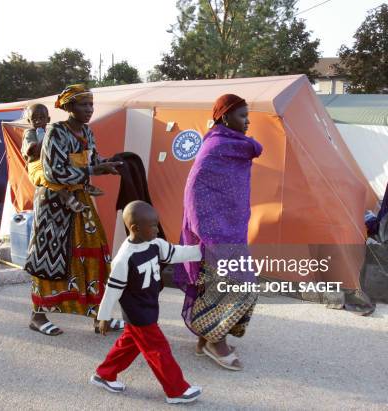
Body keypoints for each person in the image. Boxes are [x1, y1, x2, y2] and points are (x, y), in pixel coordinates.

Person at [173, 94, 263, 371]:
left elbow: (233, 189)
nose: (247, 122)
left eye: (248, 116)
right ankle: (216, 342)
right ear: (225, 117)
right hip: (212, 232)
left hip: (232, 229)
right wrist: (206, 232)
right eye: (242, 116)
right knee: (231, 285)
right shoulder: (215, 147)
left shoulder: (234, 146)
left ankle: (207, 337)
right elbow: (195, 190)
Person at [25, 84, 124, 336]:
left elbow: (92, 160)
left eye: (91, 104)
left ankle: (100, 316)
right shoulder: (56, 133)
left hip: (80, 201)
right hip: (54, 205)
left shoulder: (87, 132)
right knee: (50, 258)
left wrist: (110, 163)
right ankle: (37, 315)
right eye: (83, 104)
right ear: (69, 107)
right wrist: (93, 171)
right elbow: (52, 172)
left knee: (95, 257)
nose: (89, 109)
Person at [91, 201, 203, 404]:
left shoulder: (155, 244)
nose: (157, 229)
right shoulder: (124, 258)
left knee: (129, 345)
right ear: (135, 228)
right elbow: (112, 290)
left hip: (149, 306)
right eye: (152, 226)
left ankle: (103, 374)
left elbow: (176, 253)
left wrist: (201, 251)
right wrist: (104, 317)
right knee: (158, 350)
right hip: (138, 313)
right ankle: (176, 390)